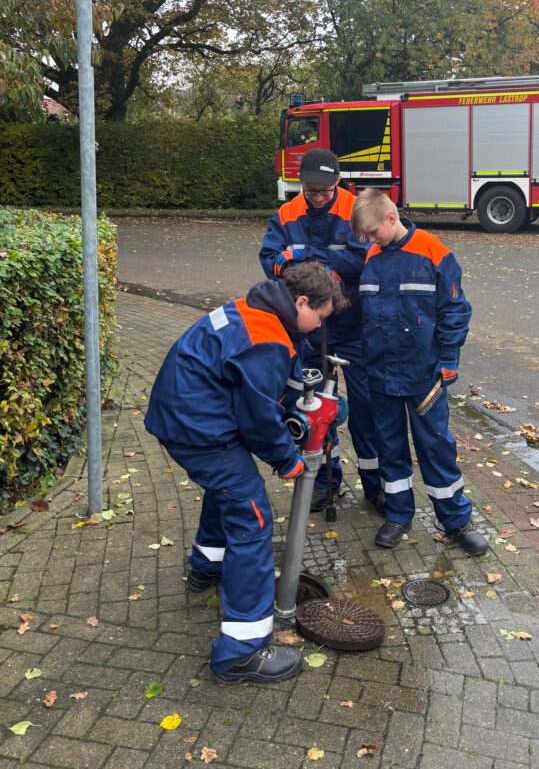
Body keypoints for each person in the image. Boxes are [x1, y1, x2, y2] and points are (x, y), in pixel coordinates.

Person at [144, 262, 346, 684]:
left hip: (182, 415)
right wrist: (287, 460)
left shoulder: (253, 310)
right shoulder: (267, 338)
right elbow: (257, 418)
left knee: (228, 491)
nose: (317, 326)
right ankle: (241, 651)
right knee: (252, 517)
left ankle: (207, 566)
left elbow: (256, 386)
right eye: (319, 316)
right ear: (301, 302)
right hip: (200, 431)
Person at [350, 188, 489, 556]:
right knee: (389, 446)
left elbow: (455, 310)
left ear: (390, 217)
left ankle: (456, 521)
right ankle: (398, 515)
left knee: (436, 447)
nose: (369, 240)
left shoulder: (432, 251)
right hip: (381, 374)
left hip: (423, 374)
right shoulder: (373, 258)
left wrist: (449, 360)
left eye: (372, 232)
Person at [259, 148, 382, 515]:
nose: (317, 197)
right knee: (312, 408)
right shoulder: (286, 214)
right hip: (310, 329)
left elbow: (363, 258)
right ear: (301, 184)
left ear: (337, 182)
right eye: (310, 190)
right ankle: (325, 482)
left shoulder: (354, 209)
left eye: (325, 191)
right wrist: (304, 265)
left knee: (366, 409)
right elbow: (271, 260)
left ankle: (375, 485)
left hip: (353, 324)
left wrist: (306, 256)